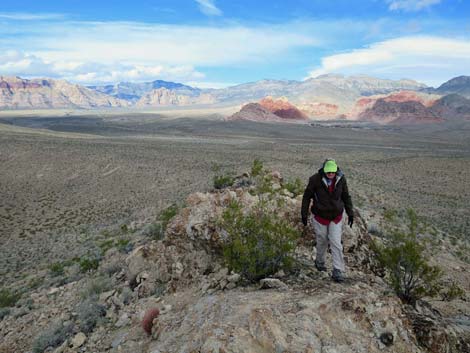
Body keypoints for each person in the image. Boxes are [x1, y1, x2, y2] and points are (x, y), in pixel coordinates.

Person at [301, 158, 354, 282]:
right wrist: (304, 214)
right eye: (328, 172)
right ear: (324, 170)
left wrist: (350, 213)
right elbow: (306, 197)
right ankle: (319, 262)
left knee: (335, 242)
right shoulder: (315, 180)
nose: (330, 174)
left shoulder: (341, 179)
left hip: (336, 216)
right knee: (322, 240)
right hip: (320, 216)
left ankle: (338, 270)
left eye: (332, 172)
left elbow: (346, 196)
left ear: (336, 171)